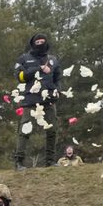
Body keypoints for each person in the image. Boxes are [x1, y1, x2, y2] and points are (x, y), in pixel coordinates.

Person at [14, 33, 61, 169]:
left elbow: (58, 78)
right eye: (38, 42)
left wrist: (57, 90)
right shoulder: (24, 59)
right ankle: (18, 162)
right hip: (30, 101)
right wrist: (38, 69)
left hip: (49, 101)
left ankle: (50, 161)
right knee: (24, 131)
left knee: (52, 131)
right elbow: (20, 77)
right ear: (33, 43)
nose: (40, 44)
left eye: (42, 41)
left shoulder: (53, 60)